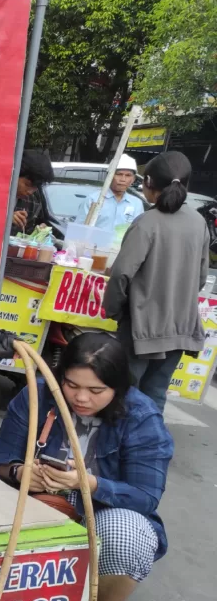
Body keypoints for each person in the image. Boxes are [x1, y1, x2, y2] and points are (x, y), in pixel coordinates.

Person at [0, 333, 172, 601]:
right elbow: (0, 459)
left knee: (130, 533)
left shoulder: (142, 418)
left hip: (101, 513)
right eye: (71, 385)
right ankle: (1, 598)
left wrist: (90, 484)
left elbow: (145, 496)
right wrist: (21, 473)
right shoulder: (38, 395)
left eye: (96, 390)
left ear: (118, 387)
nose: (81, 398)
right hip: (38, 500)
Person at [103, 151, 208, 413]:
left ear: (148, 182)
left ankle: (117, 450)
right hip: (180, 325)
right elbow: (201, 277)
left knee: (125, 394)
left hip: (141, 326)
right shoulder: (199, 222)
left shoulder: (147, 222)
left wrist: (115, 311)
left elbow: (120, 274)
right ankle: (146, 450)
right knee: (155, 397)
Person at [75, 154, 144, 236]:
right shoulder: (94, 200)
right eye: (119, 174)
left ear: (133, 179)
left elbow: (138, 233)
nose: (123, 179)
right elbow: (78, 230)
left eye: (128, 175)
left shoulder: (136, 204)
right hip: (93, 247)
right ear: (109, 176)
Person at [10, 150, 54, 235]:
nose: (30, 192)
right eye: (27, 185)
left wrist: (39, 230)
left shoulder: (34, 200)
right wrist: (6, 218)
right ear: (15, 174)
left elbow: (30, 229)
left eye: (35, 188)